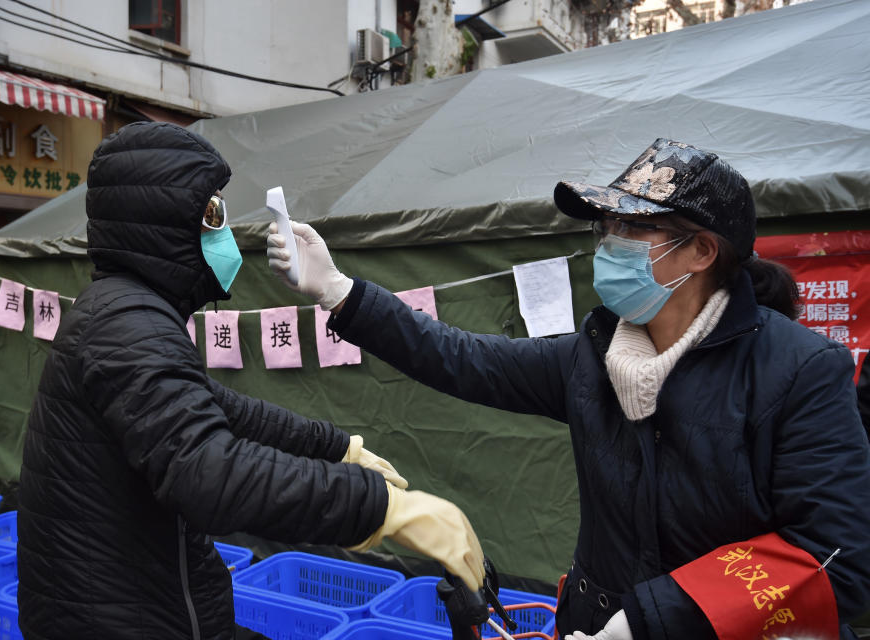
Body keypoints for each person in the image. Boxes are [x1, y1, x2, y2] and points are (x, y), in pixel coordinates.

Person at [267, 138, 870, 640]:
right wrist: (339, 291)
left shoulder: (799, 370)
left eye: (632, 229)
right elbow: (462, 358)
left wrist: (646, 621)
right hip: (589, 622)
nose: (607, 246)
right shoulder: (593, 356)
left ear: (703, 251)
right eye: (605, 227)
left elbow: (833, 558)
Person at [17, 121, 484, 640]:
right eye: (211, 213)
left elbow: (221, 410)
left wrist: (338, 448)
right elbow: (208, 470)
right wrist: (384, 509)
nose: (225, 231)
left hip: (148, 606)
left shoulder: (124, 312)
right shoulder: (127, 323)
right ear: (164, 222)